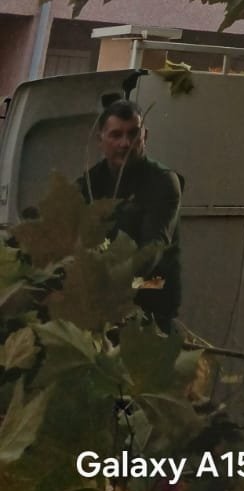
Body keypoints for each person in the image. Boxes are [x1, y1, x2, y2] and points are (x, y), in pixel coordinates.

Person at [78, 98, 183, 330]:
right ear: (100, 140)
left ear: (145, 136)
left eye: (133, 134)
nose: (125, 143)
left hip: (151, 294)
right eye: (116, 135)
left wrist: (107, 284)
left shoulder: (163, 181)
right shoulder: (88, 183)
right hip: (102, 306)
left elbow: (153, 248)